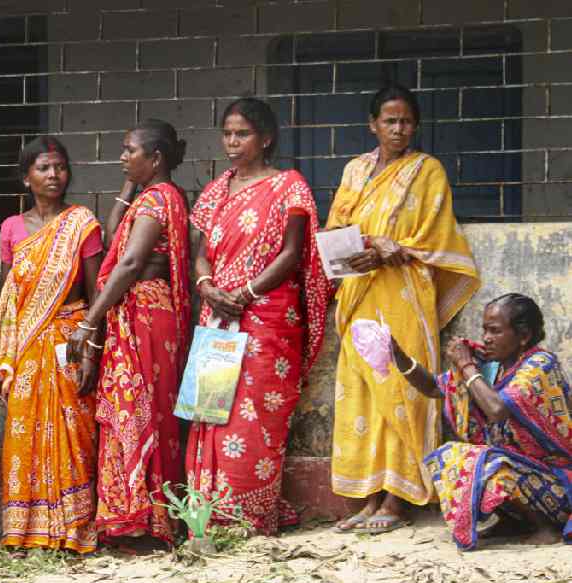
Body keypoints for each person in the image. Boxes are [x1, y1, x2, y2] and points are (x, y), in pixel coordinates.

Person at [329, 85, 481, 533]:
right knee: (362, 391)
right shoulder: (355, 170)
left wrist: (391, 249)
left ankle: (399, 500)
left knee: (402, 387)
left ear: (415, 126)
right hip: (359, 292)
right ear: (372, 124)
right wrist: (369, 243)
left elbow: (437, 236)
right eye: (389, 121)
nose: (398, 129)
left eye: (406, 121)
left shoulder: (426, 170)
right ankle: (369, 497)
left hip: (404, 293)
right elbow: (336, 227)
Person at [185, 98, 330, 534]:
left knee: (254, 418)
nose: (232, 142)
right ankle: (207, 515)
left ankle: (247, 517)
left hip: (267, 317)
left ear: (266, 139)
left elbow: (291, 253)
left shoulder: (289, 186)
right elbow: (201, 253)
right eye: (228, 134)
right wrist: (207, 287)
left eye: (243, 134)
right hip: (218, 315)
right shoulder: (215, 191)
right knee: (210, 412)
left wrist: (246, 292)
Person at [68, 119, 191, 546]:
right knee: (134, 411)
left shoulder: (157, 201)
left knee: (142, 411)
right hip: (138, 313)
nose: (122, 157)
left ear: (155, 158)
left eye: (130, 151)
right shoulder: (152, 197)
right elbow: (113, 232)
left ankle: (148, 518)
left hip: (146, 315)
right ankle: (134, 516)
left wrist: (89, 321)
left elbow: (130, 262)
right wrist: (129, 183)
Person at [0, 136, 103, 554]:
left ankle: (74, 528)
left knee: (75, 435)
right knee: (23, 437)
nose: (53, 175)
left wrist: (91, 349)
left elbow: (96, 293)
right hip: (25, 348)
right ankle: (23, 531)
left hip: (70, 339)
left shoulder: (82, 222)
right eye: (43, 168)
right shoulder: (12, 229)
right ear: (26, 178)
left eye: (59, 167)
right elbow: (7, 300)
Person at [392, 294, 571, 549]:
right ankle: (513, 523)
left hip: (559, 484)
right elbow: (433, 387)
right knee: (452, 456)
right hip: (524, 472)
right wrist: (397, 355)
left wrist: (466, 365)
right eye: (485, 330)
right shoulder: (491, 367)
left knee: (487, 463)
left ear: (523, 336)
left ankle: (547, 528)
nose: (486, 338)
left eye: (495, 331)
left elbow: (497, 409)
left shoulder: (539, 364)